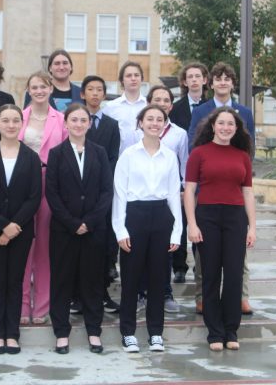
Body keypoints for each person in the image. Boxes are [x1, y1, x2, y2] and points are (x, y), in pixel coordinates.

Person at [184, 107, 256, 351]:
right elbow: (190, 191)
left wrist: (252, 227)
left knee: (234, 275)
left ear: (236, 129)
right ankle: (214, 332)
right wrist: (192, 224)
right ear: (213, 126)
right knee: (211, 275)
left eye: (231, 124)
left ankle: (231, 330)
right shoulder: (199, 153)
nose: (226, 128)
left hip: (236, 219)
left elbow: (248, 193)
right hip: (208, 217)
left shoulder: (242, 155)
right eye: (222, 123)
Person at [187, 62, 255, 316]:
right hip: (208, 186)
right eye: (218, 78)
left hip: (235, 186)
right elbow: (194, 141)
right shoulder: (201, 110)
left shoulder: (244, 112)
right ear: (211, 82)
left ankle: (241, 296)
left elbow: (250, 146)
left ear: (232, 83)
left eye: (228, 79)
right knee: (206, 254)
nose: (223, 82)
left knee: (238, 255)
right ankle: (203, 297)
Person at [113, 105, 182, 353]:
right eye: (149, 119)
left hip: (161, 216)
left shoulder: (170, 155)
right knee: (130, 278)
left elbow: (175, 194)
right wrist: (120, 230)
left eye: (159, 119)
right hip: (135, 216)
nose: (154, 123)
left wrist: (177, 231)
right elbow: (119, 195)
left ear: (165, 124)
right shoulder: (129, 155)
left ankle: (155, 333)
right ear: (140, 123)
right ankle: (128, 332)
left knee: (158, 278)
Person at [0, 104, 42, 354]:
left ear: (21, 124)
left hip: (21, 231)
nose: (11, 125)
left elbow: (34, 197)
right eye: (6, 120)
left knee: (15, 281)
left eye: (16, 120)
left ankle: (12, 334)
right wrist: (2, 226)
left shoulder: (31, 157)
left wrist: (14, 227)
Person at [46, 103, 113, 354]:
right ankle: (61, 333)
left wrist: (90, 222)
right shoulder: (56, 154)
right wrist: (73, 223)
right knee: (62, 281)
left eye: (83, 120)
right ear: (66, 123)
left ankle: (94, 332)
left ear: (89, 123)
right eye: (73, 120)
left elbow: (107, 191)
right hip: (64, 230)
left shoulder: (100, 152)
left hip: (94, 231)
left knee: (93, 282)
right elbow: (52, 193)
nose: (78, 124)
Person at [19, 71, 68, 324]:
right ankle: (22, 303)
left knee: (46, 247)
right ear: (28, 90)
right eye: (34, 86)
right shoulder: (19, 118)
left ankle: (42, 306)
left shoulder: (60, 119)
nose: (39, 90)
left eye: (43, 86)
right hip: (22, 184)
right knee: (24, 243)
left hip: (51, 182)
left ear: (51, 89)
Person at [145, 85, 188, 313]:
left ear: (171, 106)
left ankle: (165, 292)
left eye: (165, 100)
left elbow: (185, 165)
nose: (161, 103)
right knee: (142, 249)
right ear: (148, 102)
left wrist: (182, 191)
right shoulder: (137, 133)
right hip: (141, 201)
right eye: (156, 99)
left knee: (166, 248)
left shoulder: (179, 134)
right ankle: (142, 293)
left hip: (168, 200)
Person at [81, 75, 121, 313]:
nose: (95, 93)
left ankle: (103, 292)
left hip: (103, 192)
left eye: (99, 89)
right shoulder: (75, 120)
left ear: (104, 95)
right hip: (77, 191)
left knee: (103, 244)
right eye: (90, 89)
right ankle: (77, 295)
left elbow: (114, 157)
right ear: (83, 94)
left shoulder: (111, 124)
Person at [168, 62, 209, 284]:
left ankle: (200, 265)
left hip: (205, 172)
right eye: (190, 76)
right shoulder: (176, 108)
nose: (194, 80)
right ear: (184, 82)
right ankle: (179, 266)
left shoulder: (212, 106)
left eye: (198, 76)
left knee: (200, 220)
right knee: (181, 221)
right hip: (181, 172)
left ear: (205, 80)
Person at [102, 61, 147, 155]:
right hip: (119, 160)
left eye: (136, 75)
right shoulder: (110, 107)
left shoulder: (149, 105)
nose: (133, 78)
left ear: (142, 79)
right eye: (129, 76)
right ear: (122, 80)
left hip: (146, 158)